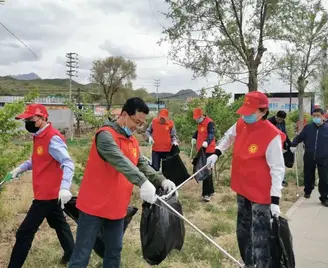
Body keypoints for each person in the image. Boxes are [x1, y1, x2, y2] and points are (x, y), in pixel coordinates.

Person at [68, 97, 177, 268]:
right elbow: (121, 161)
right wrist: (142, 182)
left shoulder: (132, 140)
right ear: (124, 114)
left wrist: (161, 180)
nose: (138, 127)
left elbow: (140, 163)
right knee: (82, 253)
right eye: (136, 121)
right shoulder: (105, 135)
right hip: (93, 206)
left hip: (117, 206)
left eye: (142, 123)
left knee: (114, 251)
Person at [206, 91, 286, 268]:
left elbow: (278, 169)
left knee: (260, 236)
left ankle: (260, 264)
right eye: (244, 111)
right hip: (243, 189)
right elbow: (229, 136)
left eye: (250, 112)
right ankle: (247, 261)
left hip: (261, 194)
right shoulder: (242, 123)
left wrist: (275, 200)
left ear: (263, 112)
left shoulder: (271, 135)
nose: (245, 115)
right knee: (243, 230)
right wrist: (217, 152)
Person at [8, 104, 75, 267]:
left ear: (43, 118)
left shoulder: (52, 137)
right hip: (47, 192)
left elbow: (67, 163)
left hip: (47, 194)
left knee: (24, 233)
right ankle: (71, 255)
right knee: (59, 224)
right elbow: (39, 159)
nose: (27, 123)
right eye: (26, 120)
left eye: (30, 119)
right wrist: (20, 169)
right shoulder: (39, 135)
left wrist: (65, 187)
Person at [290, 108, 328, 207]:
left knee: (324, 178)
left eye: (318, 116)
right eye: (314, 116)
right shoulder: (308, 127)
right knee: (308, 175)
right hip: (309, 155)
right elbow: (300, 137)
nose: (316, 118)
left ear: (323, 116)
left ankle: (324, 198)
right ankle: (307, 191)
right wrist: (293, 144)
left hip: (324, 157)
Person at [191, 108, 216, 202]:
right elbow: (199, 132)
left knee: (206, 170)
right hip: (201, 150)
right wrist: (194, 137)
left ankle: (207, 194)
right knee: (206, 170)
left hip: (209, 150)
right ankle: (211, 191)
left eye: (197, 118)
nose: (196, 120)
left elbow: (211, 134)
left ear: (202, 115)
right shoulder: (200, 123)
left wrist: (207, 141)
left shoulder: (210, 123)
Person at [268, 110, 291, 186]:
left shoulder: (283, 122)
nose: (280, 121)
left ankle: (282, 179)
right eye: (279, 119)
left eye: (282, 120)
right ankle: (271, 179)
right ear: (276, 116)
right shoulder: (269, 121)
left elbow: (284, 133)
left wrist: (289, 143)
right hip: (271, 146)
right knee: (272, 163)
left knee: (280, 163)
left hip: (281, 146)